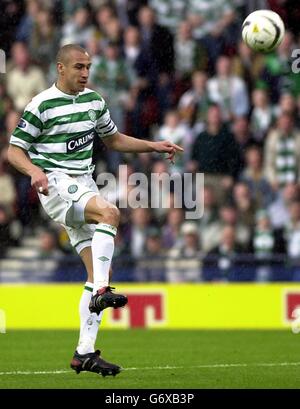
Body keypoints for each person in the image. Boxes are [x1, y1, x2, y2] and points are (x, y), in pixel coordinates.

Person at [7, 44, 183, 377]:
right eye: (78, 67)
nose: (85, 73)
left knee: (99, 271)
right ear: (60, 68)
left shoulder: (94, 101)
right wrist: (34, 171)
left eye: (88, 66)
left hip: (83, 185)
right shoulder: (41, 105)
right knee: (110, 213)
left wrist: (154, 146)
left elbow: (114, 140)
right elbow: (14, 151)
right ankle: (101, 293)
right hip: (56, 185)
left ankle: (84, 353)